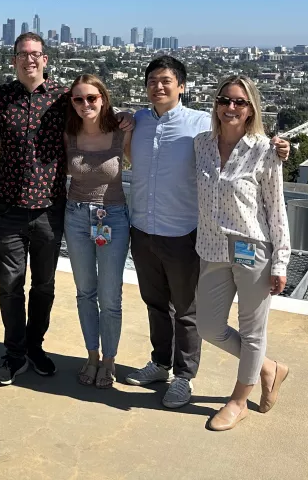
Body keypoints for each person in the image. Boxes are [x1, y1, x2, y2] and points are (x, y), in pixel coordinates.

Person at [124, 56, 290, 409]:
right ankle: (160, 363)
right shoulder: (138, 121)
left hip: (185, 233)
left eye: (167, 80)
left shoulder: (200, 125)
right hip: (145, 229)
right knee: (156, 303)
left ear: (182, 86)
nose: (159, 86)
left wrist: (282, 148)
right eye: (152, 80)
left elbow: (274, 202)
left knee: (187, 310)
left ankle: (184, 376)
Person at [0, 33, 134, 386]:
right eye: (23, 55)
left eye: (35, 54)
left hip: (50, 209)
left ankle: (34, 347)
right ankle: (14, 352)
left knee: (44, 286)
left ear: (46, 59)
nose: (29, 60)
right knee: (10, 285)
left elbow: (94, 115)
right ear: (14, 61)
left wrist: (126, 118)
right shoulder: (1, 97)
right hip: (8, 207)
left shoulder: (62, 99)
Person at [194, 75, 290, 431]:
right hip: (212, 248)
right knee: (208, 326)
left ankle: (238, 400)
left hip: (253, 248)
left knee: (253, 331)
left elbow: (276, 209)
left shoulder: (266, 149)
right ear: (216, 105)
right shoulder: (201, 144)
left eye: (239, 102)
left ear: (251, 110)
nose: (230, 107)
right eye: (224, 100)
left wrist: (280, 261)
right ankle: (268, 368)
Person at [62, 74, 132, 389]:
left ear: (103, 98)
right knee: (85, 293)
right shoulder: (68, 134)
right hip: (76, 216)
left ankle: (109, 360)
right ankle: (91, 356)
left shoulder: (122, 132)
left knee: (110, 296)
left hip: (112, 217)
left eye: (92, 97)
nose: (86, 104)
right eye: (78, 99)